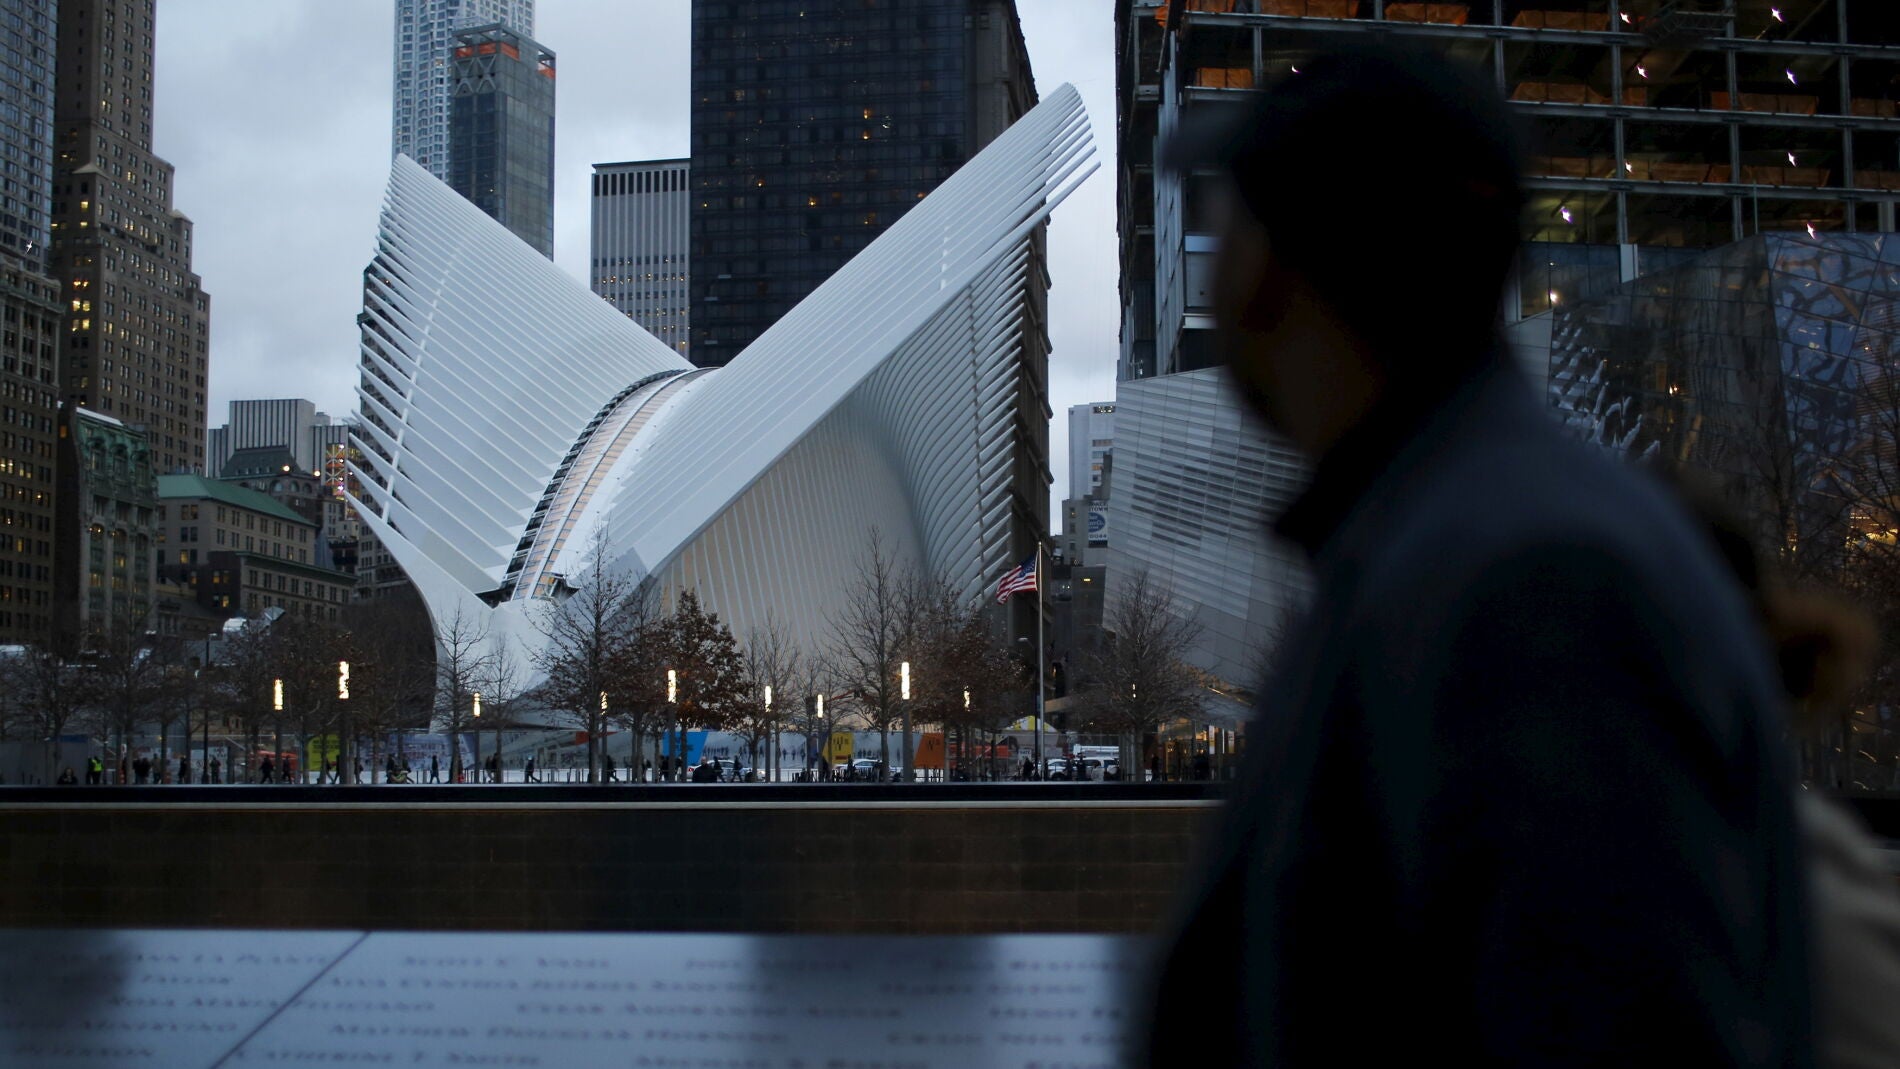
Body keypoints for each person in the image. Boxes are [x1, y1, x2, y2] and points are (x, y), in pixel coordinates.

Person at [1144, 43, 1811, 1066]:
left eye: (1226, 218)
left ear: (1281, 266)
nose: (1214, 251)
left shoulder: (1537, 589)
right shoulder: (1448, 544)